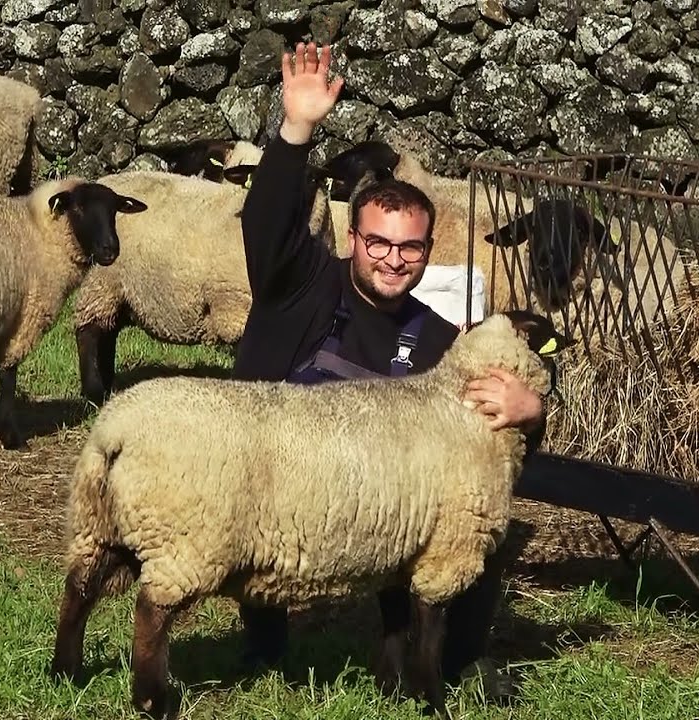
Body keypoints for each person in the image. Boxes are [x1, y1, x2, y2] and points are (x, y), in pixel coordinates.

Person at [232, 41, 548, 698]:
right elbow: (266, 225)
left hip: (369, 498)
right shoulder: (300, 287)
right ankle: (264, 640)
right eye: (378, 242)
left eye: (409, 248)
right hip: (270, 477)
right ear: (354, 238)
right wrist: (295, 132)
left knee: (470, 517)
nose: (393, 260)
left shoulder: (435, 339)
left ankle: (446, 661)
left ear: (428, 251)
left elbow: (482, 436)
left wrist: (532, 410)